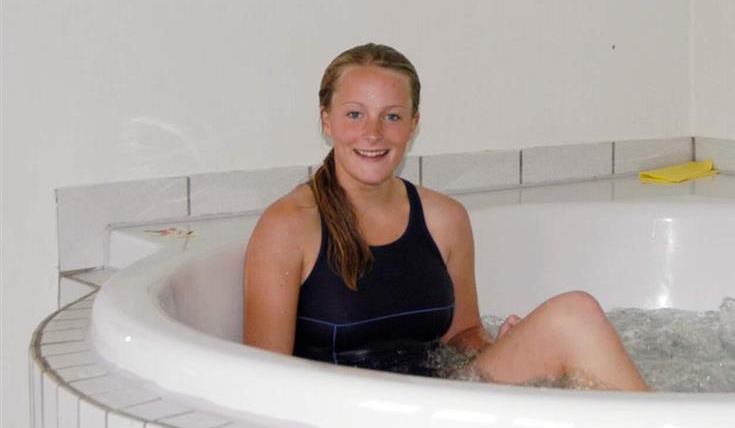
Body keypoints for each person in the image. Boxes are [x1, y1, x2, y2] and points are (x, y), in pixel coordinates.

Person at [243, 42, 647, 390]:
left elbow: (463, 333)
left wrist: (497, 347)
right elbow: (264, 380)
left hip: (437, 407)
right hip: (344, 416)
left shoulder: (444, 219)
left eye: (392, 116)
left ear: (413, 125)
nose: (373, 133)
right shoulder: (290, 226)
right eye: (354, 114)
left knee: (574, 315)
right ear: (326, 119)